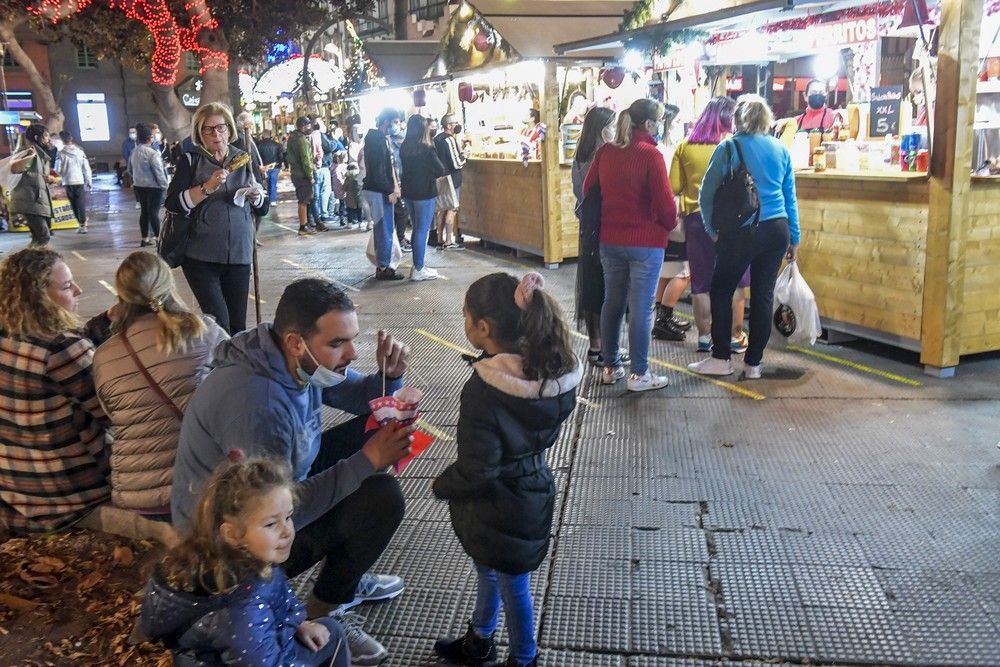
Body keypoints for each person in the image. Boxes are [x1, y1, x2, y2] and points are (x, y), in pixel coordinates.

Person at [170, 278, 414, 665]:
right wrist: (366, 462)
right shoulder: (257, 406)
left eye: (352, 339)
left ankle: (346, 572)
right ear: (297, 342)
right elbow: (271, 514)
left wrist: (389, 379)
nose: (352, 352)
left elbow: (357, 394)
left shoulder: (281, 355)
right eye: (337, 343)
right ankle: (322, 613)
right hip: (227, 548)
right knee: (380, 496)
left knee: (370, 433)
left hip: (274, 483)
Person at [432, 272, 581, 667]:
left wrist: (443, 484)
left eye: (465, 316)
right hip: (532, 488)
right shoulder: (553, 374)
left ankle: (524, 657)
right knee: (493, 568)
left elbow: (479, 468)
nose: (464, 323)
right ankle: (480, 638)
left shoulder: (486, 388)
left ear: (483, 327)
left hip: (497, 501)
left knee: (513, 583)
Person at [141, 456, 350, 667]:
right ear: (231, 534)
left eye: (288, 517)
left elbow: (275, 598)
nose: (287, 530)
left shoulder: (218, 559)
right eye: (271, 524)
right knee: (333, 633)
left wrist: (297, 624)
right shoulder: (242, 608)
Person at [92, 252, 228, 517]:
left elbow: (110, 414)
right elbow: (237, 388)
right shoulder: (204, 332)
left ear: (121, 294)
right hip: (202, 486)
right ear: (168, 285)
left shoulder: (104, 355)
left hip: (137, 496)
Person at [0, 248, 112, 534]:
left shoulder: (10, 338)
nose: (78, 289)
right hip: (68, 495)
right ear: (38, 297)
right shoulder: (62, 348)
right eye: (66, 286)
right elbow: (115, 414)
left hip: (14, 492)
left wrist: (98, 328)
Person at [690, 94, 800, 379]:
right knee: (762, 296)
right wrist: (794, 238)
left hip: (742, 232)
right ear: (766, 119)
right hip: (777, 230)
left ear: (738, 118)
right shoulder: (780, 149)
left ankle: (721, 358)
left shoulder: (729, 147)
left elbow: (706, 194)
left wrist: (712, 229)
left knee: (722, 290)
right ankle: (753, 364)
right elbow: (790, 197)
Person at [582, 99, 678, 392]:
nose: (660, 127)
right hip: (646, 242)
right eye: (659, 122)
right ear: (649, 125)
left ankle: (611, 367)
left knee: (613, 301)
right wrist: (671, 222)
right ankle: (639, 374)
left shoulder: (606, 152)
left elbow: (588, 191)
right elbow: (665, 205)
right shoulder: (652, 155)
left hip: (610, 240)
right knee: (641, 307)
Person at [165, 102, 267, 335]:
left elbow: (263, 209)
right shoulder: (190, 161)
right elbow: (173, 204)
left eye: (220, 128)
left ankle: (234, 370)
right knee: (220, 324)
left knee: (238, 326)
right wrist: (207, 187)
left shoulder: (244, 158)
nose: (216, 134)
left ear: (230, 129)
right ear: (199, 134)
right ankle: (219, 369)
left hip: (240, 254)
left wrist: (256, 196)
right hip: (201, 256)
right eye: (208, 129)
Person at [670, 96, 750, 353]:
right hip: (731, 222)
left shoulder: (684, 146)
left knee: (701, 282)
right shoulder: (732, 146)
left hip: (696, 221)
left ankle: (704, 337)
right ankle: (733, 337)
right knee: (735, 280)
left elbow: (674, 186)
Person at [571, 106, 618, 365]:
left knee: (591, 286)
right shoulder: (606, 155)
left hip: (588, 228)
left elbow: (580, 195)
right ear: (604, 128)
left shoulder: (580, 154)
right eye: (612, 125)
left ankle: (595, 345)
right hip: (607, 227)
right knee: (609, 287)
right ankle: (608, 346)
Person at [400, 114, 447, 282]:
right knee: (422, 230)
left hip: (409, 193)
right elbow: (440, 169)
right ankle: (419, 268)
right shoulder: (427, 148)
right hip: (424, 193)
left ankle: (417, 265)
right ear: (422, 128)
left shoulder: (404, 147)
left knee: (416, 229)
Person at [362, 108, 404, 280]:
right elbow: (380, 169)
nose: (396, 126)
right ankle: (384, 267)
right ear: (386, 122)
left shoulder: (375, 138)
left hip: (375, 189)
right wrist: (390, 190)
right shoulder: (378, 140)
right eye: (394, 122)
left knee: (383, 228)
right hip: (379, 190)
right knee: (384, 229)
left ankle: (383, 265)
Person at [9, 124, 58, 246]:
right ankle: (33, 262)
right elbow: (15, 168)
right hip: (31, 200)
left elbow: (32, 174)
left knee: (38, 237)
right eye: (46, 136)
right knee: (43, 236)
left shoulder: (39, 153)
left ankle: (32, 261)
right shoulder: (30, 151)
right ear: (37, 137)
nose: (48, 139)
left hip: (35, 199)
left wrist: (48, 179)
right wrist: (29, 155)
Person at [129, 123, 170, 247]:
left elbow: (129, 170)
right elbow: (158, 172)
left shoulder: (134, 151)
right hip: (153, 187)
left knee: (144, 212)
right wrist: (165, 186)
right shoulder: (152, 153)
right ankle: (158, 238)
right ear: (149, 138)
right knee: (154, 212)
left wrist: (135, 180)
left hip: (139, 186)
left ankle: (144, 239)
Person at [434, 113, 467, 249]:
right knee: (452, 209)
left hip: (439, 178)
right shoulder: (449, 140)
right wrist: (465, 156)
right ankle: (449, 241)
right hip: (452, 179)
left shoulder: (436, 139)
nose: (456, 125)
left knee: (442, 209)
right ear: (448, 125)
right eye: (455, 123)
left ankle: (439, 239)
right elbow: (457, 163)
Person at [55, 131, 93, 235]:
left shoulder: (60, 153)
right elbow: (86, 167)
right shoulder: (80, 152)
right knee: (81, 203)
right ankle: (83, 224)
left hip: (67, 182)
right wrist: (89, 180)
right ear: (71, 138)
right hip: (79, 181)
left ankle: (80, 224)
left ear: (62, 140)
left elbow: (57, 169)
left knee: (74, 204)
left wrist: (63, 174)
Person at [287, 116, 317, 237]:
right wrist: (310, 175)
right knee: (304, 201)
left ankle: (304, 224)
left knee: (303, 200)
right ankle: (303, 226)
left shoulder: (292, 138)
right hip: (303, 175)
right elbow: (306, 159)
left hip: (295, 173)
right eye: (308, 125)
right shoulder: (302, 140)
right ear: (303, 126)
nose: (310, 127)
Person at [310, 120, 333, 230]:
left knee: (315, 195)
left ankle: (314, 218)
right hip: (321, 167)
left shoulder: (309, 136)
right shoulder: (320, 135)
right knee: (323, 192)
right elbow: (328, 147)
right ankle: (323, 214)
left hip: (314, 168)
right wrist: (334, 141)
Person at [257, 129, 284, 203]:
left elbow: (257, 157)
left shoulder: (259, 145)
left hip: (265, 167)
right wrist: (281, 164)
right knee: (273, 182)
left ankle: (269, 198)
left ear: (263, 135)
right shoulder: (277, 145)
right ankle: (273, 200)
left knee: (268, 182)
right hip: (275, 166)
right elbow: (280, 156)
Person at [331, 150, 348, 227]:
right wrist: (344, 185)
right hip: (343, 188)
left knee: (343, 203)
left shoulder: (335, 167)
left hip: (341, 188)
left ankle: (344, 218)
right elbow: (339, 178)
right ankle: (343, 219)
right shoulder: (341, 167)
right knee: (343, 204)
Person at [344, 161, 363, 229]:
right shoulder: (359, 175)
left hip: (350, 196)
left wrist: (344, 190)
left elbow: (344, 187)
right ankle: (360, 222)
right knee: (359, 210)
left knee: (350, 210)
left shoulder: (348, 177)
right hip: (359, 196)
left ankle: (349, 224)